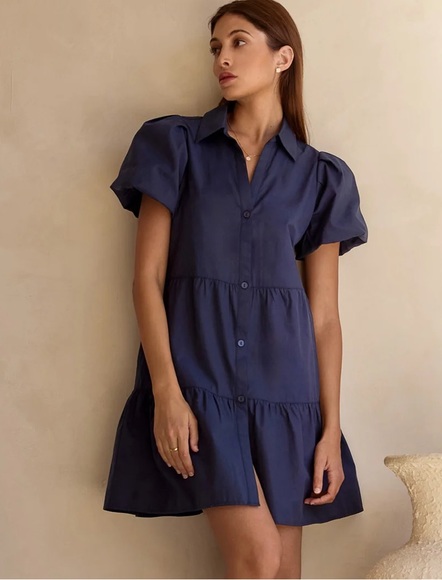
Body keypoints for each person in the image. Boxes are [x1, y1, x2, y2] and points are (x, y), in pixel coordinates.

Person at [102, 0, 369, 577]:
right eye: (216, 47)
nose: (222, 58)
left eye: (238, 42)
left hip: (287, 395)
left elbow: (324, 317)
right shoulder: (174, 145)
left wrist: (329, 429)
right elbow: (147, 279)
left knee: (284, 573)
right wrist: (167, 392)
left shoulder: (321, 177)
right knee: (258, 558)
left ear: (283, 58)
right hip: (200, 385)